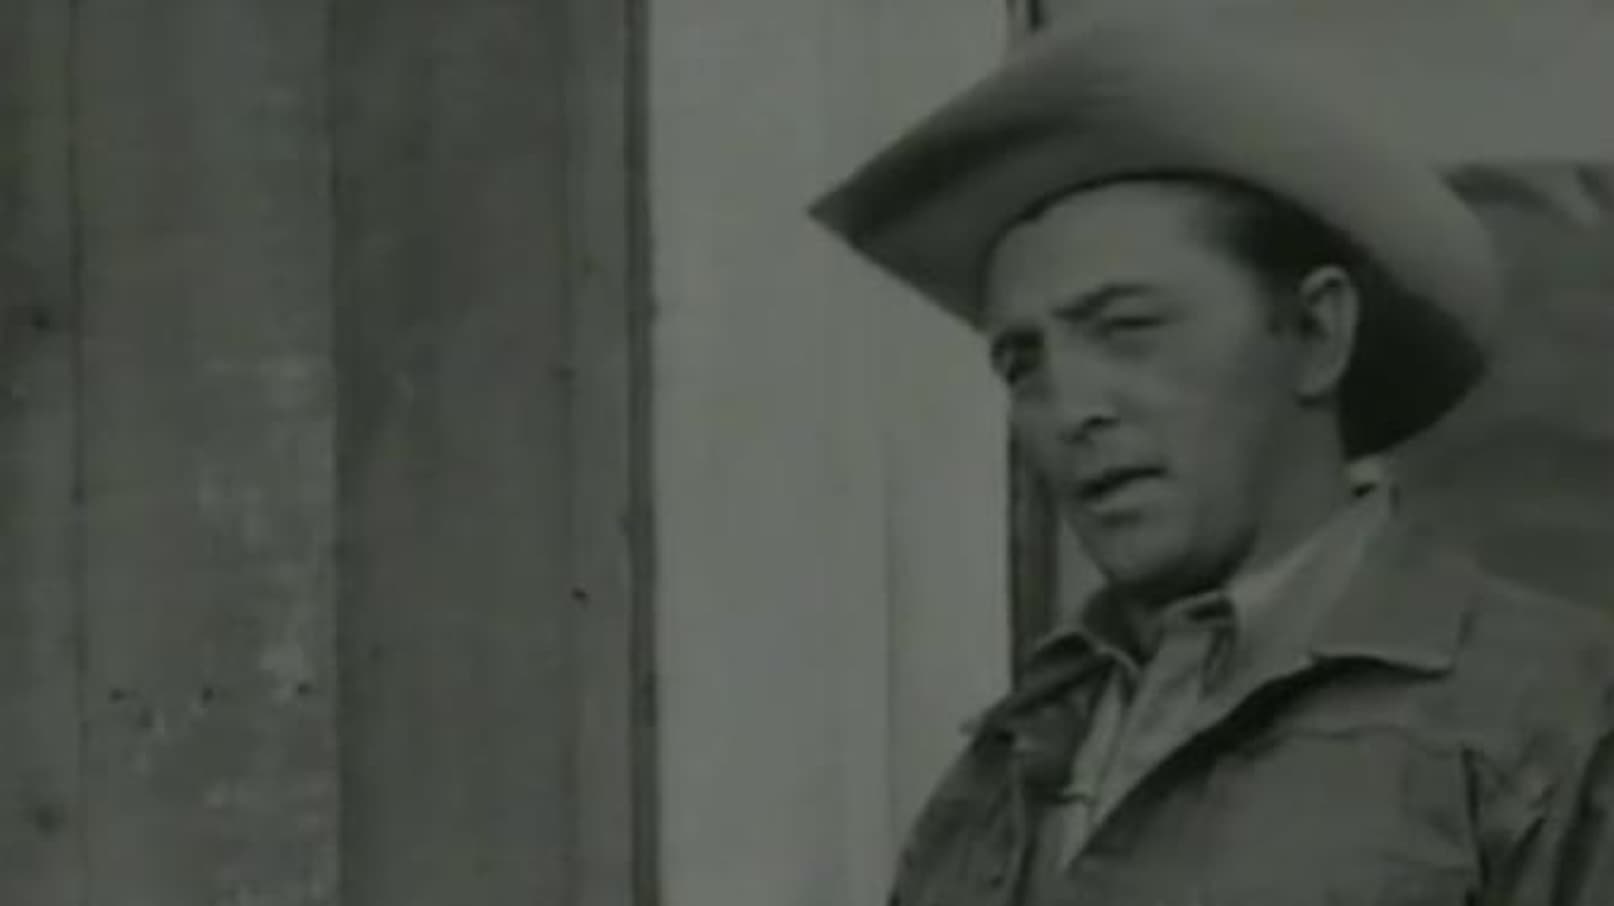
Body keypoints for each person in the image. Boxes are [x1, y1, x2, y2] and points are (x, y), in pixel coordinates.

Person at [809, 16, 1614, 906]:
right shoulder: (1016, 754)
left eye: (1128, 329)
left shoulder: (1560, 714)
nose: (1070, 409)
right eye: (1022, 363)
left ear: (1317, 333)